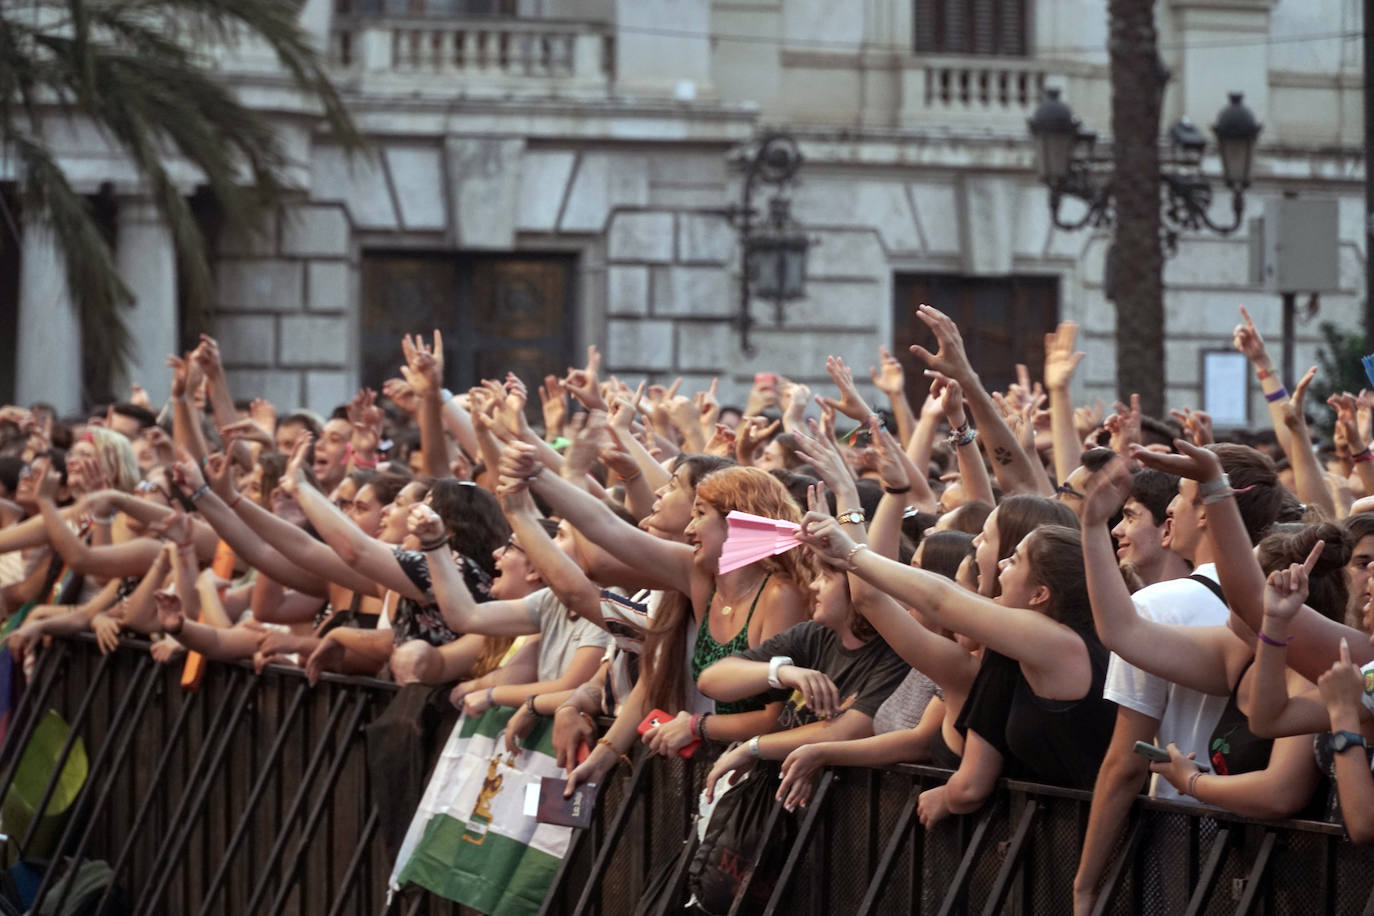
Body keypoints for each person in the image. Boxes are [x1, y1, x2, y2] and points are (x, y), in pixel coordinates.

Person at [797, 494, 1114, 828]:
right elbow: (945, 592)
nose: (1000, 561)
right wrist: (849, 549)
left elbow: (942, 600)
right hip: (1041, 840)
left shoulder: (1058, 642)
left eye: (1015, 559)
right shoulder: (1012, 652)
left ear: (1040, 594)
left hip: (1080, 838)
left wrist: (851, 550)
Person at [1073, 441, 1284, 915]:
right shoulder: (1285, 600)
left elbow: (1126, 762)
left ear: (1208, 508)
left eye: (1182, 493)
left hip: (1189, 829)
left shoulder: (1156, 606)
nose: (1168, 507)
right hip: (1271, 835)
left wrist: (1085, 883)